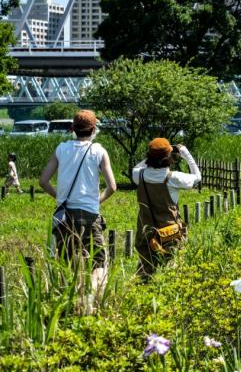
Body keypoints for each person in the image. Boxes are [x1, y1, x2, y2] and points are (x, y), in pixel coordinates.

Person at [38, 110, 117, 311]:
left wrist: (61, 198)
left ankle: (69, 303)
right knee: (98, 261)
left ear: (72, 129)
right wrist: (96, 201)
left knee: (67, 261)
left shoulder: (61, 148)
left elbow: (43, 181)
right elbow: (112, 187)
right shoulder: (99, 151)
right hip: (89, 215)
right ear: (94, 129)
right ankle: (88, 298)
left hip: (64, 215)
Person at [133, 138, 201, 278]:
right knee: (172, 272)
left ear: (149, 157)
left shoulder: (138, 175)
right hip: (169, 232)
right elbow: (197, 177)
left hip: (145, 230)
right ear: (169, 157)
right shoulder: (173, 178)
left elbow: (137, 167)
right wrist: (185, 153)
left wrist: (152, 154)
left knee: (145, 271)